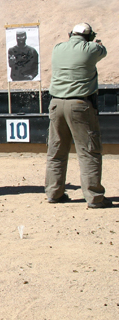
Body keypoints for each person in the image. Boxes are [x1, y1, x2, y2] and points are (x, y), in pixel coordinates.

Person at [45, 23, 112, 209]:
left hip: (56, 104)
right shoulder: (92, 48)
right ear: (89, 37)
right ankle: (94, 197)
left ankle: (54, 192)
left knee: (56, 151)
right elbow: (102, 50)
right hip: (80, 105)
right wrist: (96, 42)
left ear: (71, 34)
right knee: (89, 151)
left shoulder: (58, 48)